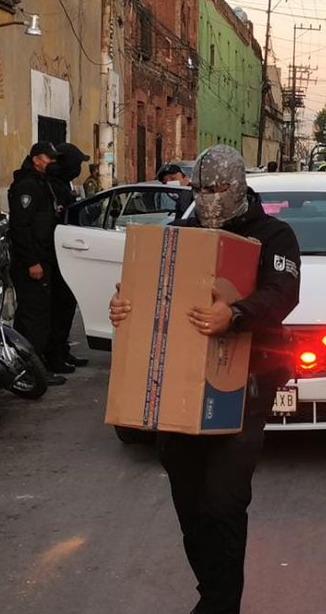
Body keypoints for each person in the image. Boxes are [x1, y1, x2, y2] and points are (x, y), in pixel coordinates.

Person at [108, 145, 300, 614]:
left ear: (240, 186)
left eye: (220, 189)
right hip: (179, 388)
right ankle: (210, 592)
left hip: (246, 388)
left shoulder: (273, 236)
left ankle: (220, 605)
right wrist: (124, 305)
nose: (211, 198)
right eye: (202, 189)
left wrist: (233, 314)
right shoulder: (179, 235)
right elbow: (149, 288)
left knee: (223, 504)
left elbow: (282, 295)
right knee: (189, 504)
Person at [6, 142, 67, 387]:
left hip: (43, 259)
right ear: (35, 159)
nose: (52, 162)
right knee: (34, 318)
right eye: (48, 158)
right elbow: (20, 228)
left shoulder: (42, 184)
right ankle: (32, 369)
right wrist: (32, 261)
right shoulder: (27, 186)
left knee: (39, 315)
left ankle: (31, 366)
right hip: (31, 263)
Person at [44, 142, 92, 372]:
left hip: (68, 255)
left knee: (67, 307)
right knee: (57, 309)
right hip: (56, 256)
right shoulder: (51, 186)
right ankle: (53, 356)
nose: (79, 168)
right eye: (77, 163)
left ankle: (62, 351)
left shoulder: (63, 184)